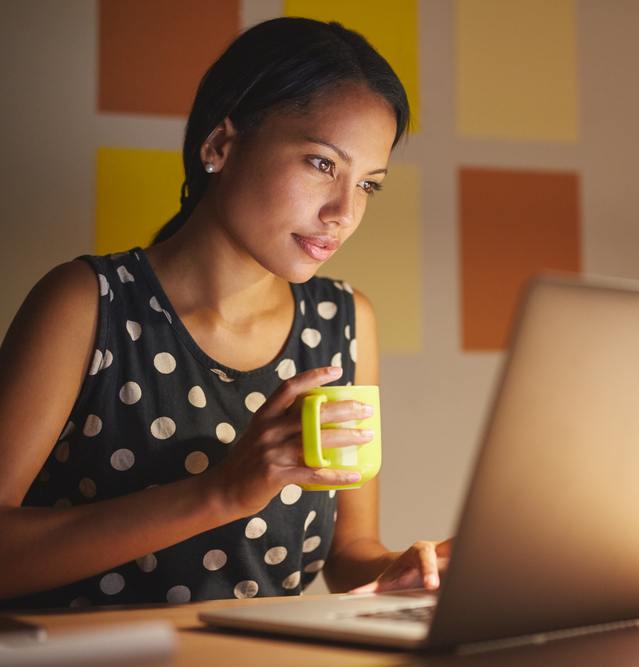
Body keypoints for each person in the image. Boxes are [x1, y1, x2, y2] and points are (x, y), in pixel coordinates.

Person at [0, 17, 448, 609]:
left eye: (369, 185)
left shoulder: (345, 320)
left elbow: (349, 555)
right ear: (220, 146)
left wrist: (404, 573)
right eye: (321, 164)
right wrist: (222, 493)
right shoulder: (86, 304)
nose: (344, 210)